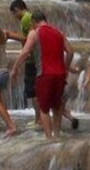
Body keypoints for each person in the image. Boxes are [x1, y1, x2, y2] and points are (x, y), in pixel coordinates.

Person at [10, 11, 73, 139]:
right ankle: (57, 135)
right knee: (57, 107)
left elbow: (25, 52)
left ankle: (48, 138)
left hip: (44, 74)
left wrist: (14, 69)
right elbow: (70, 52)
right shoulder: (59, 32)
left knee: (44, 108)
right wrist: (66, 68)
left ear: (33, 22)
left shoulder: (34, 33)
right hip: (60, 74)